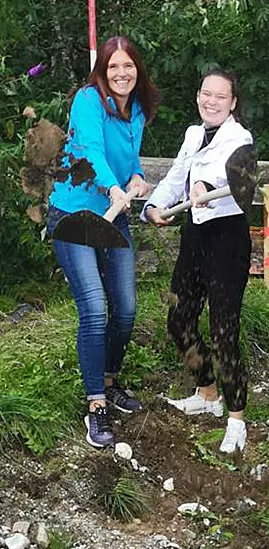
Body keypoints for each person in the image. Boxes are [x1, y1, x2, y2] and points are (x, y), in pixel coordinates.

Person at [47, 36, 160, 448]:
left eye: (127, 66)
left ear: (137, 69)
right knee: (94, 308)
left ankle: (109, 379)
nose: (120, 73)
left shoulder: (137, 109)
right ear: (102, 71)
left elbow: (128, 161)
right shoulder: (87, 101)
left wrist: (133, 179)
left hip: (114, 216)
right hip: (76, 216)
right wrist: (113, 188)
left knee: (126, 309)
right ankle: (95, 405)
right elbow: (91, 151)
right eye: (113, 67)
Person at [143, 69, 252, 454]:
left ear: (233, 102)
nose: (211, 101)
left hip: (226, 239)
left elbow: (230, 179)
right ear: (198, 96)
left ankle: (236, 417)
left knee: (224, 330)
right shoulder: (193, 134)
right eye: (206, 93)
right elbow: (177, 176)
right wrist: (155, 205)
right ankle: (207, 394)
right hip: (194, 236)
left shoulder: (240, 139)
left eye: (220, 96)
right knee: (179, 318)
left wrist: (205, 188)